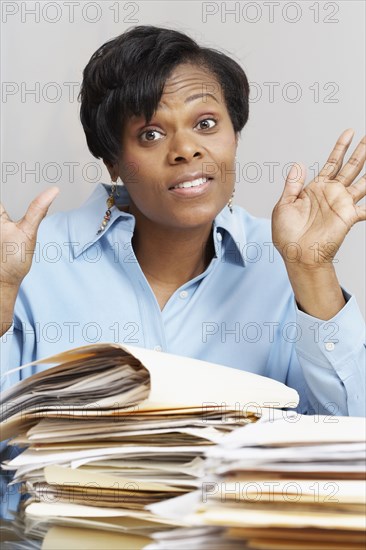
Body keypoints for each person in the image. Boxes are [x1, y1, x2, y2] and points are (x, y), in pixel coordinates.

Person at [1, 24, 365, 516]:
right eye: (150, 133)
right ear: (113, 160)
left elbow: (349, 448)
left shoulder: (284, 257)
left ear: (235, 135)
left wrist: (312, 271)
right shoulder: (27, 259)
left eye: (207, 124)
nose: (186, 149)